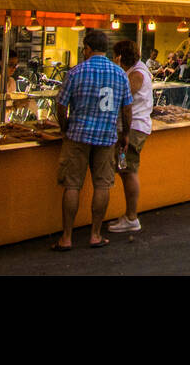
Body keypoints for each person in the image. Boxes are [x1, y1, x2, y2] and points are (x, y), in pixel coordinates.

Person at [52, 28, 132, 251]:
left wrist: (64, 126)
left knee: (72, 185)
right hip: (107, 136)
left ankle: (66, 237)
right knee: (102, 185)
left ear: (87, 48)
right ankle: (95, 235)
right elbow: (127, 109)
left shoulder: (76, 72)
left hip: (77, 135)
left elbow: (61, 105)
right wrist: (125, 133)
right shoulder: (119, 74)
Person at [107, 39, 152, 234]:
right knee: (126, 170)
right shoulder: (136, 70)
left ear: (119, 56)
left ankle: (132, 217)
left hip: (132, 129)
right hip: (132, 127)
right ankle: (130, 215)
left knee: (129, 171)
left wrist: (116, 71)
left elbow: (122, 96)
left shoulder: (137, 74)